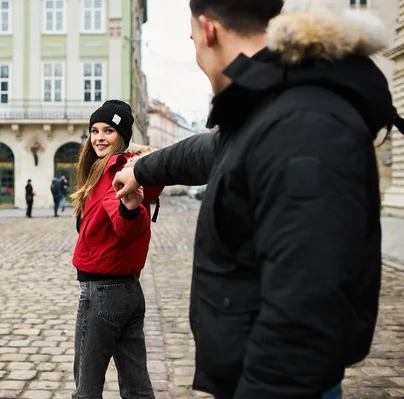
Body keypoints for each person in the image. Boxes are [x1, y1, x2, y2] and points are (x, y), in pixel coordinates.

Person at [113, 1, 396, 398]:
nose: (196, 52)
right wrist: (140, 170)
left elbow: (303, 318)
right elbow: (206, 152)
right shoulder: (275, 104)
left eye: (192, 39)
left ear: (208, 31)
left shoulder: (304, 122)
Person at [71, 100, 163, 398]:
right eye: (94, 130)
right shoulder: (108, 169)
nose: (99, 137)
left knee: (87, 389)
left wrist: (130, 210)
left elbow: (128, 227)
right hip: (129, 293)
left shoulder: (116, 171)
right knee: (137, 388)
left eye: (108, 130)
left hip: (102, 294)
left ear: (122, 136)